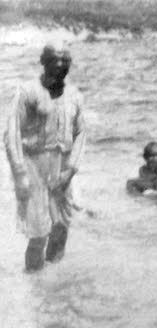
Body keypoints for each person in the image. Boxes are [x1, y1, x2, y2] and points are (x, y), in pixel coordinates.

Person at [5, 42, 87, 272]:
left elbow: (80, 133)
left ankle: (53, 285)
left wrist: (71, 170)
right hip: (33, 164)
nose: (60, 65)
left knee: (61, 227)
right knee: (38, 232)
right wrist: (20, 173)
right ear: (44, 62)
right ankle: (33, 283)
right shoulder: (27, 92)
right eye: (54, 60)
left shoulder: (74, 95)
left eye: (65, 61)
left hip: (62, 165)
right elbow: (12, 134)